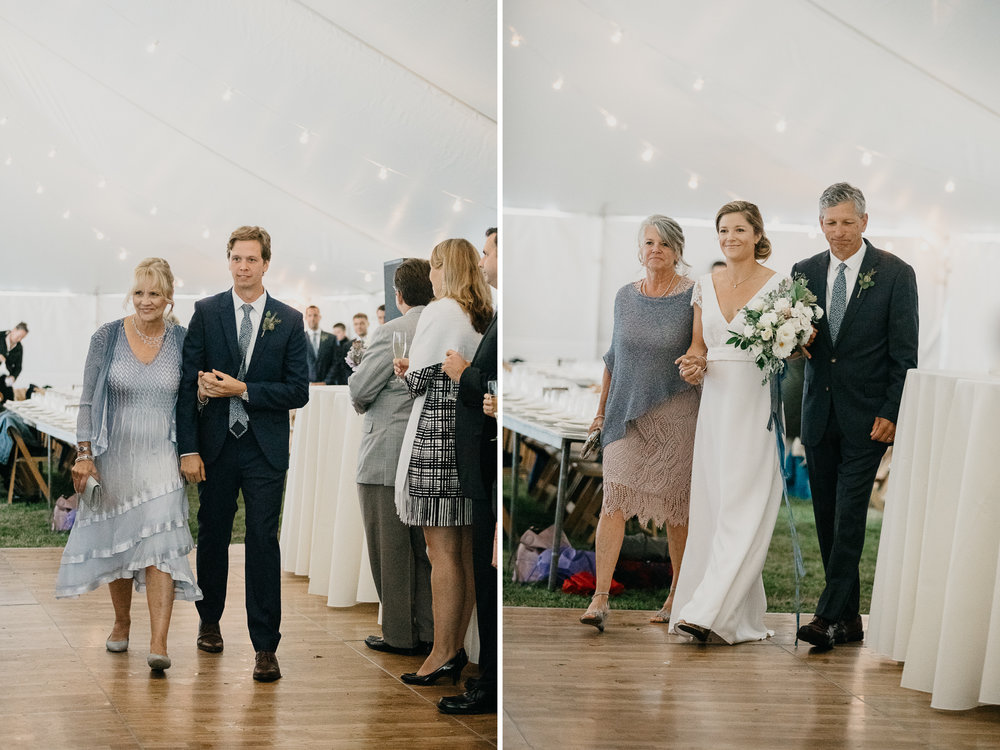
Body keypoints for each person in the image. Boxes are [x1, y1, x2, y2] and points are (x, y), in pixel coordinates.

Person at [177, 225, 309, 682]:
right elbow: (184, 383)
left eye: (252, 259)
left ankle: (265, 647)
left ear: (266, 263)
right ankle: (209, 621)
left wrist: (245, 389)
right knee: (212, 534)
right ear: (228, 261)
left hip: (264, 450)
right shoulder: (206, 312)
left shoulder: (289, 320)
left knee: (262, 542)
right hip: (213, 448)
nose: (243, 267)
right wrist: (189, 447)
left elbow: (298, 390)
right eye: (236, 258)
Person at [56, 258, 201, 672]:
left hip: (161, 458)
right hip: (113, 454)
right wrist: (85, 454)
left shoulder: (183, 339)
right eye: (139, 292)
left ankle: (159, 641)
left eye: (154, 293)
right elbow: (87, 399)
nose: (145, 300)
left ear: (169, 297)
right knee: (119, 538)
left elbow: (191, 402)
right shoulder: (106, 337)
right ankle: (121, 621)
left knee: (161, 543)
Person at [792, 183, 918, 649]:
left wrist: (892, 412)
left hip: (869, 419)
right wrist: (793, 342)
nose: (839, 232)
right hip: (818, 414)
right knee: (825, 515)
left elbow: (906, 355)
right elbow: (800, 341)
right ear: (820, 224)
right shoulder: (803, 271)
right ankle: (850, 620)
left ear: (864, 222)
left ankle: (826, 618)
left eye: (847, 222)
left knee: (848, 516)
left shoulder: (895, 273)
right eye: (830, 222)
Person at [671, 201, 786, 645]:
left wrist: (793, 342)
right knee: (716, 507)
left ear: (757, 233)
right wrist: (692, 366)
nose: (729, 237)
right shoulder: (704, 284)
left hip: (756, 404)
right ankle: (729, 609)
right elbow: (698, 346)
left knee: (745, 502)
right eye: (723, 230)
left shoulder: (781, 285)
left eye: (739, 229)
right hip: (716, 407)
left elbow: (789, 347)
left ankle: (708, 612)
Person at [579, 216, 700, 632]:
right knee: (613, 499)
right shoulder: (624, 297)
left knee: (675, 508)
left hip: (676, 413)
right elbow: (614, 358)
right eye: (649, 242)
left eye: (664, 244)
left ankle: (676, 594)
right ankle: (599, 597)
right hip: (625, 413)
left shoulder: (694, 295)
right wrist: (600, 411)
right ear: (639, 248)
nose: (656, 250)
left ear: (677, 250)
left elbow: (700, 350)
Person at [393, 238, 492, 688]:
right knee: (467, 552)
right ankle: (459, 648)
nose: (429, 276)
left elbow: (418, 379)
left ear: (443, 269)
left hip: (437, 436)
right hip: (467, 436)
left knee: (441, 552)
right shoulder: (481, 311)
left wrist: (407, 369)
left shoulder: (441, 309)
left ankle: (441, 651)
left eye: (433, 267)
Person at [349, 259, 435, 656]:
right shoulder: (443, 325)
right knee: (422, 551)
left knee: (389, 550)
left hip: (385, 452)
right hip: (426, 451)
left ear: (399, 295)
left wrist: (358, 369)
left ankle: (400, 635)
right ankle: (430, 630)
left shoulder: (392, 331)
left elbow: (362, 390)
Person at [439, 226, 498, 714]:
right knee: (477, 560)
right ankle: (484, 674)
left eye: (491, 249)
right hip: (480, 453)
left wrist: (464, 373)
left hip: (485, 451)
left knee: (482, 563)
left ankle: (490, 682)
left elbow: (496, 382)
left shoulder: (454, 312)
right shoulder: (491, 312)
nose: (484, 259)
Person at [303, 305, 335, 384]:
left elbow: (335, 362)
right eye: (310, 315)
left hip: (327, 385)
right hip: (306, 385)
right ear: (306, 318)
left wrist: (326, 382)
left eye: (315, 315)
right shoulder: (299, 338)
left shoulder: (331, 338)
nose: (312, 318)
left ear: (319, 317)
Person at [0, 322, 29, 404]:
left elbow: (18, 367)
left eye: (22, 338)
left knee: (10, 404)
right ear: (14, 330)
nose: (19, 339)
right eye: (19, 336)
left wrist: (13, 377)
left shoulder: (19, 348)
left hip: (4, 380)